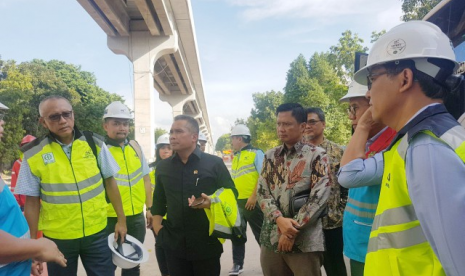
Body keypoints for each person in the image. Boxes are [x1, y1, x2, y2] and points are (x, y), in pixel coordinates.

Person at [344, 21, 465, 276]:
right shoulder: (417, 140)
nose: (368, 94)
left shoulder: (427, 146)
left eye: (372, 79)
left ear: (405, 78)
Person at [15, 95, 127, 276]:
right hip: (59, 239)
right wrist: (33, 245)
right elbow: (32, 202)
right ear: (43, 122)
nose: (62, 120)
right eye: (54, 117)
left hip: (96, 232)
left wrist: (121, 221)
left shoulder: (94, 143)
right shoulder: (34, 154)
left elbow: (111, 183)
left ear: (73, 115)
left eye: (66, 114)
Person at [151, 115, 238, 276]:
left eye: (178, 131)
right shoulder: (163, 167)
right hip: (173, 242)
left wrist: (212, 202)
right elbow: (159, 200)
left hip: (206, 241)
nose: (172, 136)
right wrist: (157, 227)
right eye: (171, 132)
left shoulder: (214, 164)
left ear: (194, 137)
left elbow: (232, 192)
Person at [257, 103, 330, 276]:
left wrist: (290, 233)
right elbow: (262, 192)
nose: (281, 129)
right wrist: (279, 219)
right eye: (279, 124)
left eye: (287, 124)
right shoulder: (270, 156)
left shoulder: (317, 155)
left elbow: (319, 197)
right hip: (271, 239)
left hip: (304, 241)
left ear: (302, 126)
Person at [0, 101, 66, 276]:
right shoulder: (24, 162)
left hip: (13, 264)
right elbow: (25, 196)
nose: (2, 122)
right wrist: (36, 246)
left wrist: (24, 254)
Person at [336, 81, 396, 276]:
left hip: (376, 244)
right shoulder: (367, 142)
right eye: (349, 109)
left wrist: (362, 126)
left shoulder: (392, 143)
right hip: (359, 240)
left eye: (355, 108)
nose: (351, 116)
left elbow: (347, 177)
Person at [102, 101, 152, 276]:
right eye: (116, 123)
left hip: (136, 217)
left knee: (132, 264)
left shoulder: (135, 148)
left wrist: (149, 208)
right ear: (105, 126)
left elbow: (146, 180)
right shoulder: (100, 150)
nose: (121, 128)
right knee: (108, 265)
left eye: (125, 123)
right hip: (109, 219)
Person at [303, 107, 348, 276]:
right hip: (305, 225)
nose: (307, 126)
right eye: (304, 122)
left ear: (323, 124)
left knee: (336, 268)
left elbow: (347, 187)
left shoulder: (338, 152)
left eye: (312, 121)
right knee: (307, 270)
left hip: (331, 223)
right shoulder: (298, 154)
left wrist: (340, 212)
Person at [229, 124, 264, 276]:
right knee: (237, 234)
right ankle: (237, 264)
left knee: (261, 234)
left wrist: (254, 196)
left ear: (239, 138)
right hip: (237, 202)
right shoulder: (236, 156)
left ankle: (271, 263)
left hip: (252, 202)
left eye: (232, 139)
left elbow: (263, 175)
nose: (231, 142)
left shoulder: (256, 153)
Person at [149, 133, 173, 276]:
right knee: (160, 245)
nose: (165, 151)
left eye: (169, 148)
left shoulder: (178, 167)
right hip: (157, 214)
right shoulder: (151, 169)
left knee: (174, 248)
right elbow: (146, 190)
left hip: (174, 215)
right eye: (162, 148)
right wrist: (149, 210)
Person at [11, 135, 36, 210]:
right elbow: (14, 186)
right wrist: (15, 203)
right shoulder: (18, 164)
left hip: (42, 205)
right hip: (25, 206)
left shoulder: (42, 162)